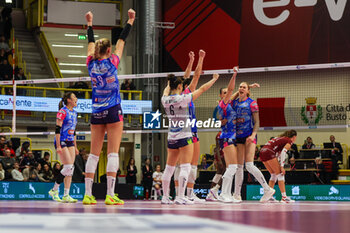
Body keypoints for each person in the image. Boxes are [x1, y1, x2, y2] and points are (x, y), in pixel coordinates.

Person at [83, 9, 135, 205]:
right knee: (113, 152)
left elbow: (89, 44)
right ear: (109, 51)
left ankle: (88, 194)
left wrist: (89, 24)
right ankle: (110, 194)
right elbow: (122, 40)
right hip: (113, 109)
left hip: (96, 110)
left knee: (94, 153)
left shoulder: (90, 63)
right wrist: (131, 20)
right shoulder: (113, 62)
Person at [161, 72, 220, 204]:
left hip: (171, 137)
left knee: (169, 168)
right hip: (184, 136)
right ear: (180, 86)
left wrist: (169, 84)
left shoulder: (164, 99)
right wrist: (214, 79)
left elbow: (166, 89)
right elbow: (202, 88)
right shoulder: (183, 99)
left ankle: (165, 197)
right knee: (185, 167)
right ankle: (180, 196)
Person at [232, 82, 272, 202]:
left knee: (249, 165)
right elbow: (229, 98)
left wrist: (253, 134)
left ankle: (267, 189)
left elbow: (257, 122)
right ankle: (237, 195)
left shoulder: (252, 103)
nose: (241, 89)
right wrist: (247, 86)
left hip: (250, 136)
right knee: (238, 167)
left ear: (248, 91)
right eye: (240, 87)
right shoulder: (234, 103)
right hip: (238, 137)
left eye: (244, 87)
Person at [181, 50, 207, 203]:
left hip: (193, 131)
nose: (192, 84)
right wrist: (201, 59)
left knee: (193, 166)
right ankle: (181, 194)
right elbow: (194, 77)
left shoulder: (188, 95)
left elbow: (189, 76)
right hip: (184, 133)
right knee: (183, 165)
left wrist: (192, 60)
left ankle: (190, 194)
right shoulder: (183, 95)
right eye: (189, 84)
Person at [216, 67, 241, 203]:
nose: (227, 94)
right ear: (221, 95)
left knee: (232, 167)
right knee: (232, 167)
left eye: (227, 92)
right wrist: (234, 74)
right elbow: (232, 90)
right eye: (224, 93)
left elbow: (234, 93)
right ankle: (223, 194)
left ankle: (227, 193)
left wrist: (246, 88)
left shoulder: (229, 103)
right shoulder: (223, 103)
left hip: (231, 136)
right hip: (226, 137)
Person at [48, 92, 79, 203]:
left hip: (70, 141)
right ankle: (54, 190)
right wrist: (58, 145)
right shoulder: (62, 112)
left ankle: (66, 195)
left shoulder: (75, 113)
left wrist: (75, 146)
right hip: (62, 140)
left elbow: (74, 131)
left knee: (70, 170)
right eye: (74, 97)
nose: (76, 99)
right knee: (68, 166)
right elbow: (57, 129)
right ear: (69, 100)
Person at [259, 130, 297, 203]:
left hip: (262, 152)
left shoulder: (280, 138)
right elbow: (283, 152)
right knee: (280, 174)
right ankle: (284, 198)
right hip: (269, 152)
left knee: (273, 174)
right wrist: (282, 166)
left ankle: (269, 196)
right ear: (294, 137)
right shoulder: (289, 141)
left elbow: (278, 154)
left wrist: (279, 164)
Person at [206, 131, 225, 201]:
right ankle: (215, 189)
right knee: (226, 171)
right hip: (221, 154)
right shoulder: (220, 134)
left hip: (222, 153)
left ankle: (210, 194)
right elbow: (217, 147)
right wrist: (218, 159)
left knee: (219, 172)